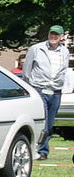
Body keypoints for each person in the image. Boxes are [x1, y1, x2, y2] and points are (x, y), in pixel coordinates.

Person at [23, 25, 68, 159]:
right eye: (51, 34)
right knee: (42, 123)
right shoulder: (36, 49)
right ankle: (41, 151)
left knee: (50, 123)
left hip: (55, 91)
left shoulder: (65, 52)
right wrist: (28, 88)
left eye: (56, 34)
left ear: (62, 37)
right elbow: (26, 70)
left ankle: (42, 151)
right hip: (39, 89)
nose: (53, 36)